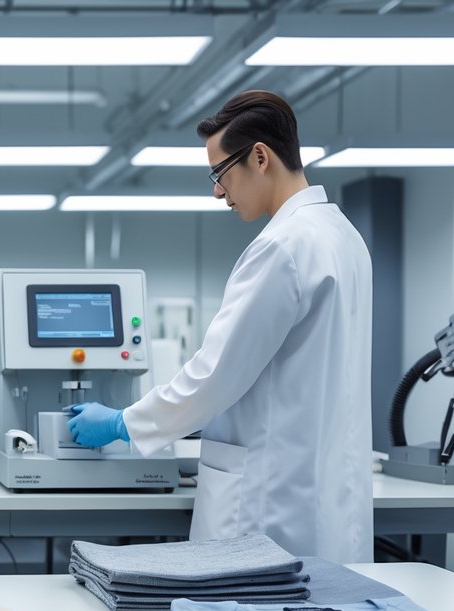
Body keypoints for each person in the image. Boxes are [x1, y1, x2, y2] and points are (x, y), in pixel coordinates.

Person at [67, 90, 373, 564]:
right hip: (328, 498)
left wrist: (122, 422)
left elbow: (214, 377)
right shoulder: (344, 237)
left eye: (219, 172)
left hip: (268, 509)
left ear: (259, 157)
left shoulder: (283, 248)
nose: (216, 190)